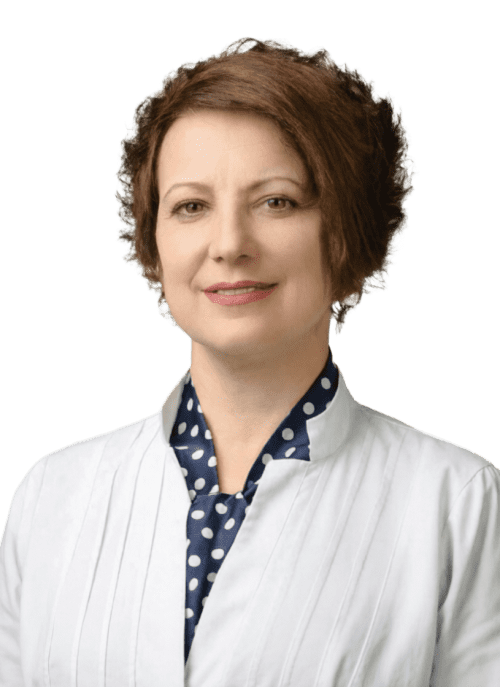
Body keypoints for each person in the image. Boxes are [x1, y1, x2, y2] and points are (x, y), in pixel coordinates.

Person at [1, 36, 499, 687]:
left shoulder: (457, 503)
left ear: (348, 233)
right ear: (154, 240)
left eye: (277, 201)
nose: (229, 244)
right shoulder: (51, 495)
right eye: (191, 206)